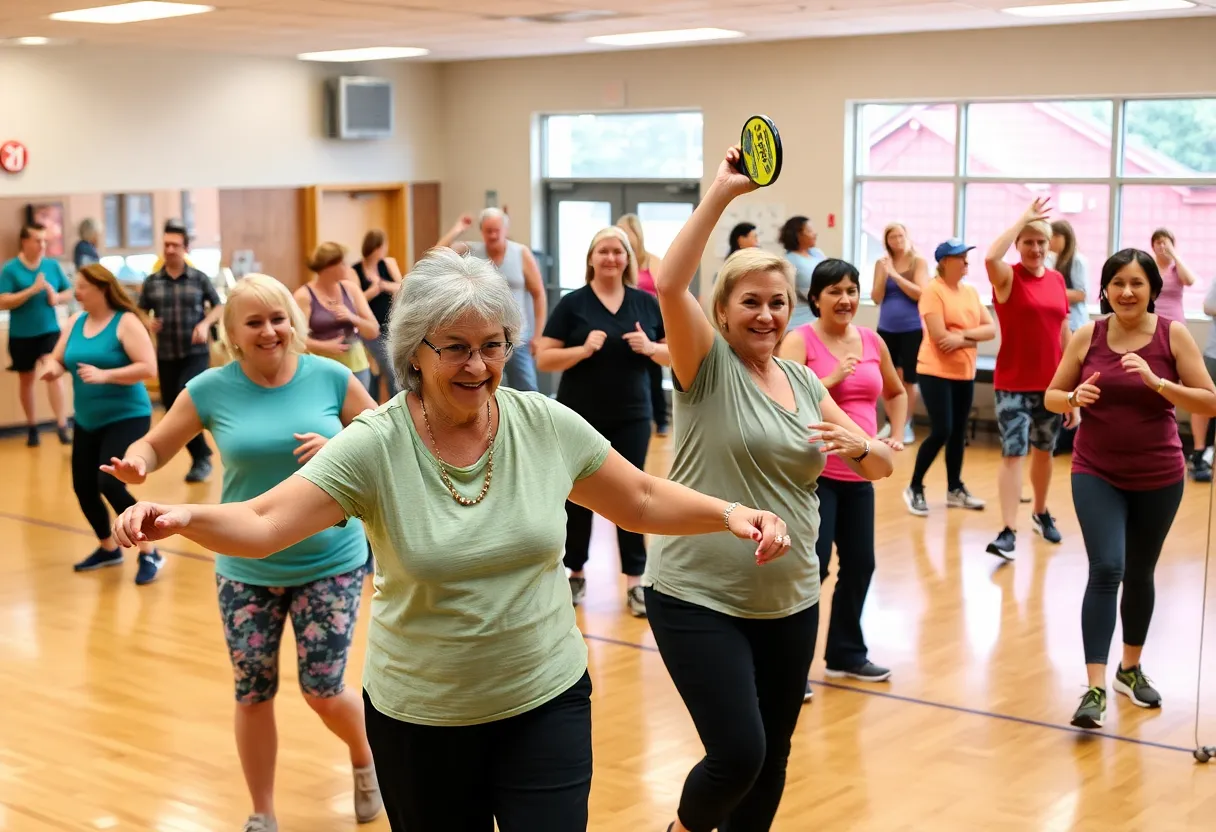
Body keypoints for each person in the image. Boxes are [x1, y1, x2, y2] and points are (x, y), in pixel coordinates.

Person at [110, 247, 793, 832]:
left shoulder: (542, 423)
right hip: (421, 718)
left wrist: (727, 512)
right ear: (415, 352)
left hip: (544, 696)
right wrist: (184, 517)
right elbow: (262, 523)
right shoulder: (376, 442)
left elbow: (639, 496)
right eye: (457, 348)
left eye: (493, 345)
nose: (478, 364)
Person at [646, 146, 894, 832]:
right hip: (698, 594)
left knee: (773, 755)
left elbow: (880, 468)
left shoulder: (807, 384)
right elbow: (669, 285)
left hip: (789, 598)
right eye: (749, 302)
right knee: (738, 751)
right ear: (722, 313)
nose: (765, 315)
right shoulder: (707, 369)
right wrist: (722, 193)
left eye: (777, 303)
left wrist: (865, 444)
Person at [105, 274, 383, 831]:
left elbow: (384, 441)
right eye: (253, 322)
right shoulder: (210, 388)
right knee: (252, 693)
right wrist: (138, 460)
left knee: (323, 689)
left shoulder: (331, 377)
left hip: (329, 558)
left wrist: (341, 447)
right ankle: (263, 812)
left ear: (294, 323)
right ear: (231, 332)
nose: (269, 331)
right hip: (244, 565)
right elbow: (158, 442)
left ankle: (365, 760)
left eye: (278, 318)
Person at [1044, 249, 1216, 730]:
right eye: (1117, 282)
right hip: (1095, 469)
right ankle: (1094, 687)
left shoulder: (1172, 335)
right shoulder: (1088, 334)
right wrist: (1073, 397)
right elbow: (1052, 394)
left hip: (1159, 474)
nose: (1126, 292)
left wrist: (1159, 383)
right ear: (1104, 289)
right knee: (1108, 567)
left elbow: (1210, 400)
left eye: (1137, 283)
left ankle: (1130, 669)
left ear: (1152, 290)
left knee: (1140, 572)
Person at [778, 258, 906, 685]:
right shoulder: (799, 341)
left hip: (860, 476)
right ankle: (790, 667)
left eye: (851, 290)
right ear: (815, 299)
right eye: (834, 291)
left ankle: (846, 653)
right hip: (816, 476)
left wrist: (896, 433)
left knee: (861, 564)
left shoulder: (872, 341)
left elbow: (896, 391)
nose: (845, 298)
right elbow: (783, 401)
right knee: (811, 568)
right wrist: (829, 378)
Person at [535, 227, 669, 617]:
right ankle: (575, 571)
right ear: (591, 258)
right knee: (578, 494)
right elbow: (545, 359)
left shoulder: (646, 303)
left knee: (634, 494)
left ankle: (635, 580)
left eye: (618, 252)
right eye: (603, 251)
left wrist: (652, 348)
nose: (611, 258)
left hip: (633, 414)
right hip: (580, 416)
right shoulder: (573, 304)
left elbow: (676, 356)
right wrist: (581, 349)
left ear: (628, 258)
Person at [38, 264, 163, 583]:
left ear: (102, 289)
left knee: (109, 483)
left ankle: (151, 552)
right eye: (75, 286)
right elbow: (58, 356)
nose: (76, 292)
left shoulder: (126, 322)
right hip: (88, 419)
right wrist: (52, 368)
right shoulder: (75, 322)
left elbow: (148, 367)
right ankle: (108, 548)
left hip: (126, 416)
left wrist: (107, 375)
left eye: (82, 287)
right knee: (83, 486)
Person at [983, 199, 1074, 560]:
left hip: (1051, 386)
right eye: (1028, 241)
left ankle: (1040, 511)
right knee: (1012, 453)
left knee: (1044, 452)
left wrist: (1070, 390)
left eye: (1041, 242)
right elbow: (991, 258)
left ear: (1049, 246)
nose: (1035, 249)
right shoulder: (1008, 278)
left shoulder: (1056, 280)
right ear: (1018, 245)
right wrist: (1023, 218)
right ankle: (1008, 530)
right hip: (1012, 384)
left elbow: (1064, 332)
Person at [903, 240, 995, 516]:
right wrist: (968, 337)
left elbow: (990, 329)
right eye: (960, 258)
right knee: (942, 429)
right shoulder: (933, 292)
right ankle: (915, 486)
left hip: (964, 371)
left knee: (958, 433)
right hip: (935, 370)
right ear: (944, 262)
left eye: (967, 257)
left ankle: (955, 488)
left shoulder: (969, 292)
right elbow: (941, 338)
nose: (966, 262)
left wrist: (962, 337)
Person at [138, 219, 223, 483]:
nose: (170, 249)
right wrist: (146, 321)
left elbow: (219, 306)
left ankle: (200, 460)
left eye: (175, 245)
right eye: (166, 245)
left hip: (194, 352)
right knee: (171, 406)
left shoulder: (198, 279)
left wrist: (205, 323)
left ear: (185, 248)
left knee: (184, 398)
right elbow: (139, 310)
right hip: (166, 353)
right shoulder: (152, 281)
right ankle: (202, 452)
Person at [437, 208, 547, 392]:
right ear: (482, 231)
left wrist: (539, 335)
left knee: (528, 389)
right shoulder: (472, 250)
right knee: (490, 389)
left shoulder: (521, 253)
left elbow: (539, 294)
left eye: (497, 230)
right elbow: (437, 254)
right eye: (488, 231)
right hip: (483, 337)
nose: (493, 235)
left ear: (505, 229)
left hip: (518, 337)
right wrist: (457, 228)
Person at [0, 222, 73, 447]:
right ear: (25, 242)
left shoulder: (52, 266)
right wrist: (31, 290)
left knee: (53, 372)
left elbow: (69, 291)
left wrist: (56, 298)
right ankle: (32, 427)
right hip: (22, 334)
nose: (42, 245)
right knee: (27, 380)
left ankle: (61, 425)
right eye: (37, 240)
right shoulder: (11, 269)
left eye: (45, 240)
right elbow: (3, 300)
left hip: (49, 331)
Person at [1148, 228, 1208, 481]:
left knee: (1193, 388)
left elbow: (1191, 280)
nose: (1162, 247)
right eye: (1158, 243)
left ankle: (1197, 450)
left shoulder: (1176, 270)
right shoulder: (1149, 269)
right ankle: (1155, 445)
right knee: (1157, 389)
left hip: (1176, 333)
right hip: (1151, 333)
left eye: (1166, 242)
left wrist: (1174, 254)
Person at [294, 242, 380, 392]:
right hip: (320, 368)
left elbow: (373, 330)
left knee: (358, 414)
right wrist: (326, 346)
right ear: (329, 266)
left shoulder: (351, 289)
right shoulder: (304, 296)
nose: (347, 267)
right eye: (342, 263)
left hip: (356, 366)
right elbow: (295, 338)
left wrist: (352, 317)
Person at [872, 222, 928, 446]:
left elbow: (920, 294)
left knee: (908, 378)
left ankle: (906, 423)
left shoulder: (918, 261)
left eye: (900, 236)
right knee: (887, 377)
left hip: (912, 329)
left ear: (907, 236)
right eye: (892, 237)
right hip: (886, 327)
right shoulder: (882, 262)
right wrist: (883, 274)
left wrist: (894, 275)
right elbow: (876, 297)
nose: (897, 240)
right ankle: (890, 421)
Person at [617, 213, 670, 435]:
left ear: (638, 235)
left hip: (650, 323)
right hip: (623, 322)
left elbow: (665, 293)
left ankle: (661, 418)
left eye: (628, 235)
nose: (625, 240)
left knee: (653, 372)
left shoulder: (652, 261)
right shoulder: (619, 261)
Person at [1047, 220, 1090, 456]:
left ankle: (1071, 433)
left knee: (1072, 377)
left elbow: (1081, 293)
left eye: (1054, 236)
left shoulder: (1077, 261)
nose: (1050, 241)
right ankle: (1058, 432)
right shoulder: (1048, 260)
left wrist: (1049, 290)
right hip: (1055, 325)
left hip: (1073, 325)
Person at [353, 229, 404, 401]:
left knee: (394, 369)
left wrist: (382, 285)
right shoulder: (356, 270)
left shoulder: (388, 263)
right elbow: (355, 300)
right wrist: (372, 291)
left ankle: (395, 403)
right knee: (384, 368)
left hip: (390, 324)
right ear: (376, 247)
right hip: (369, 329)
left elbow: (401, 287)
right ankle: (373, 404)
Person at [779, 215, 827, 328]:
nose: (815, 233)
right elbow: (811, 293)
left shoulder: (816, 253)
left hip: (819, 318)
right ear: (798, 235)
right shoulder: (790, 260)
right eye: (810, 230)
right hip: (800, 322)